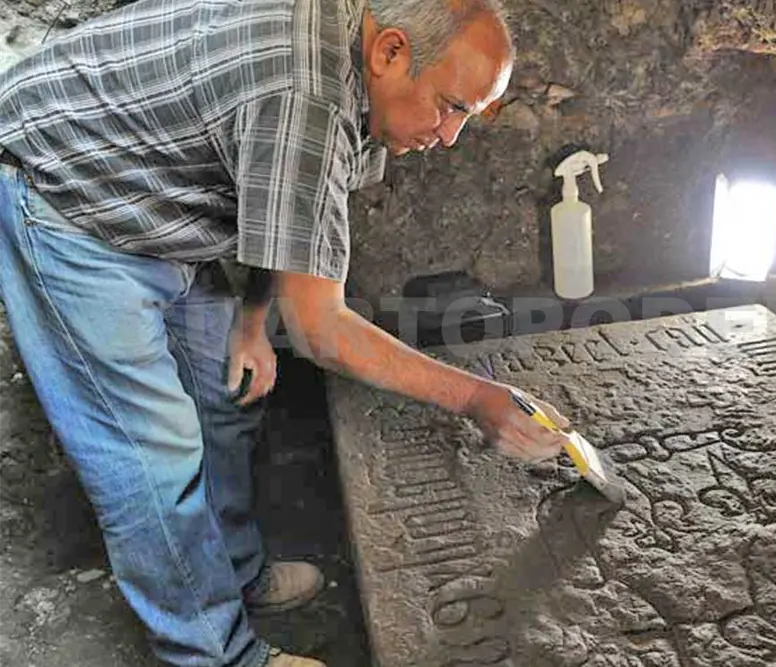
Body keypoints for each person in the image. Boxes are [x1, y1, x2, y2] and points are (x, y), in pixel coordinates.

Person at [0, 0, 571, 664]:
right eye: (450, 107)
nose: (449, 137)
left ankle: (234, 574)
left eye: (472, 115)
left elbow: (284, 211)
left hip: (156, 192)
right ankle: (217, 651)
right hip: (67, 192)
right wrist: (478, 398)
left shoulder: (353, 67)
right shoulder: (308, 98)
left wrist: (249, 321)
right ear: (389, 52)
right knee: (152, 457)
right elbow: (319, 328)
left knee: (226, 390)